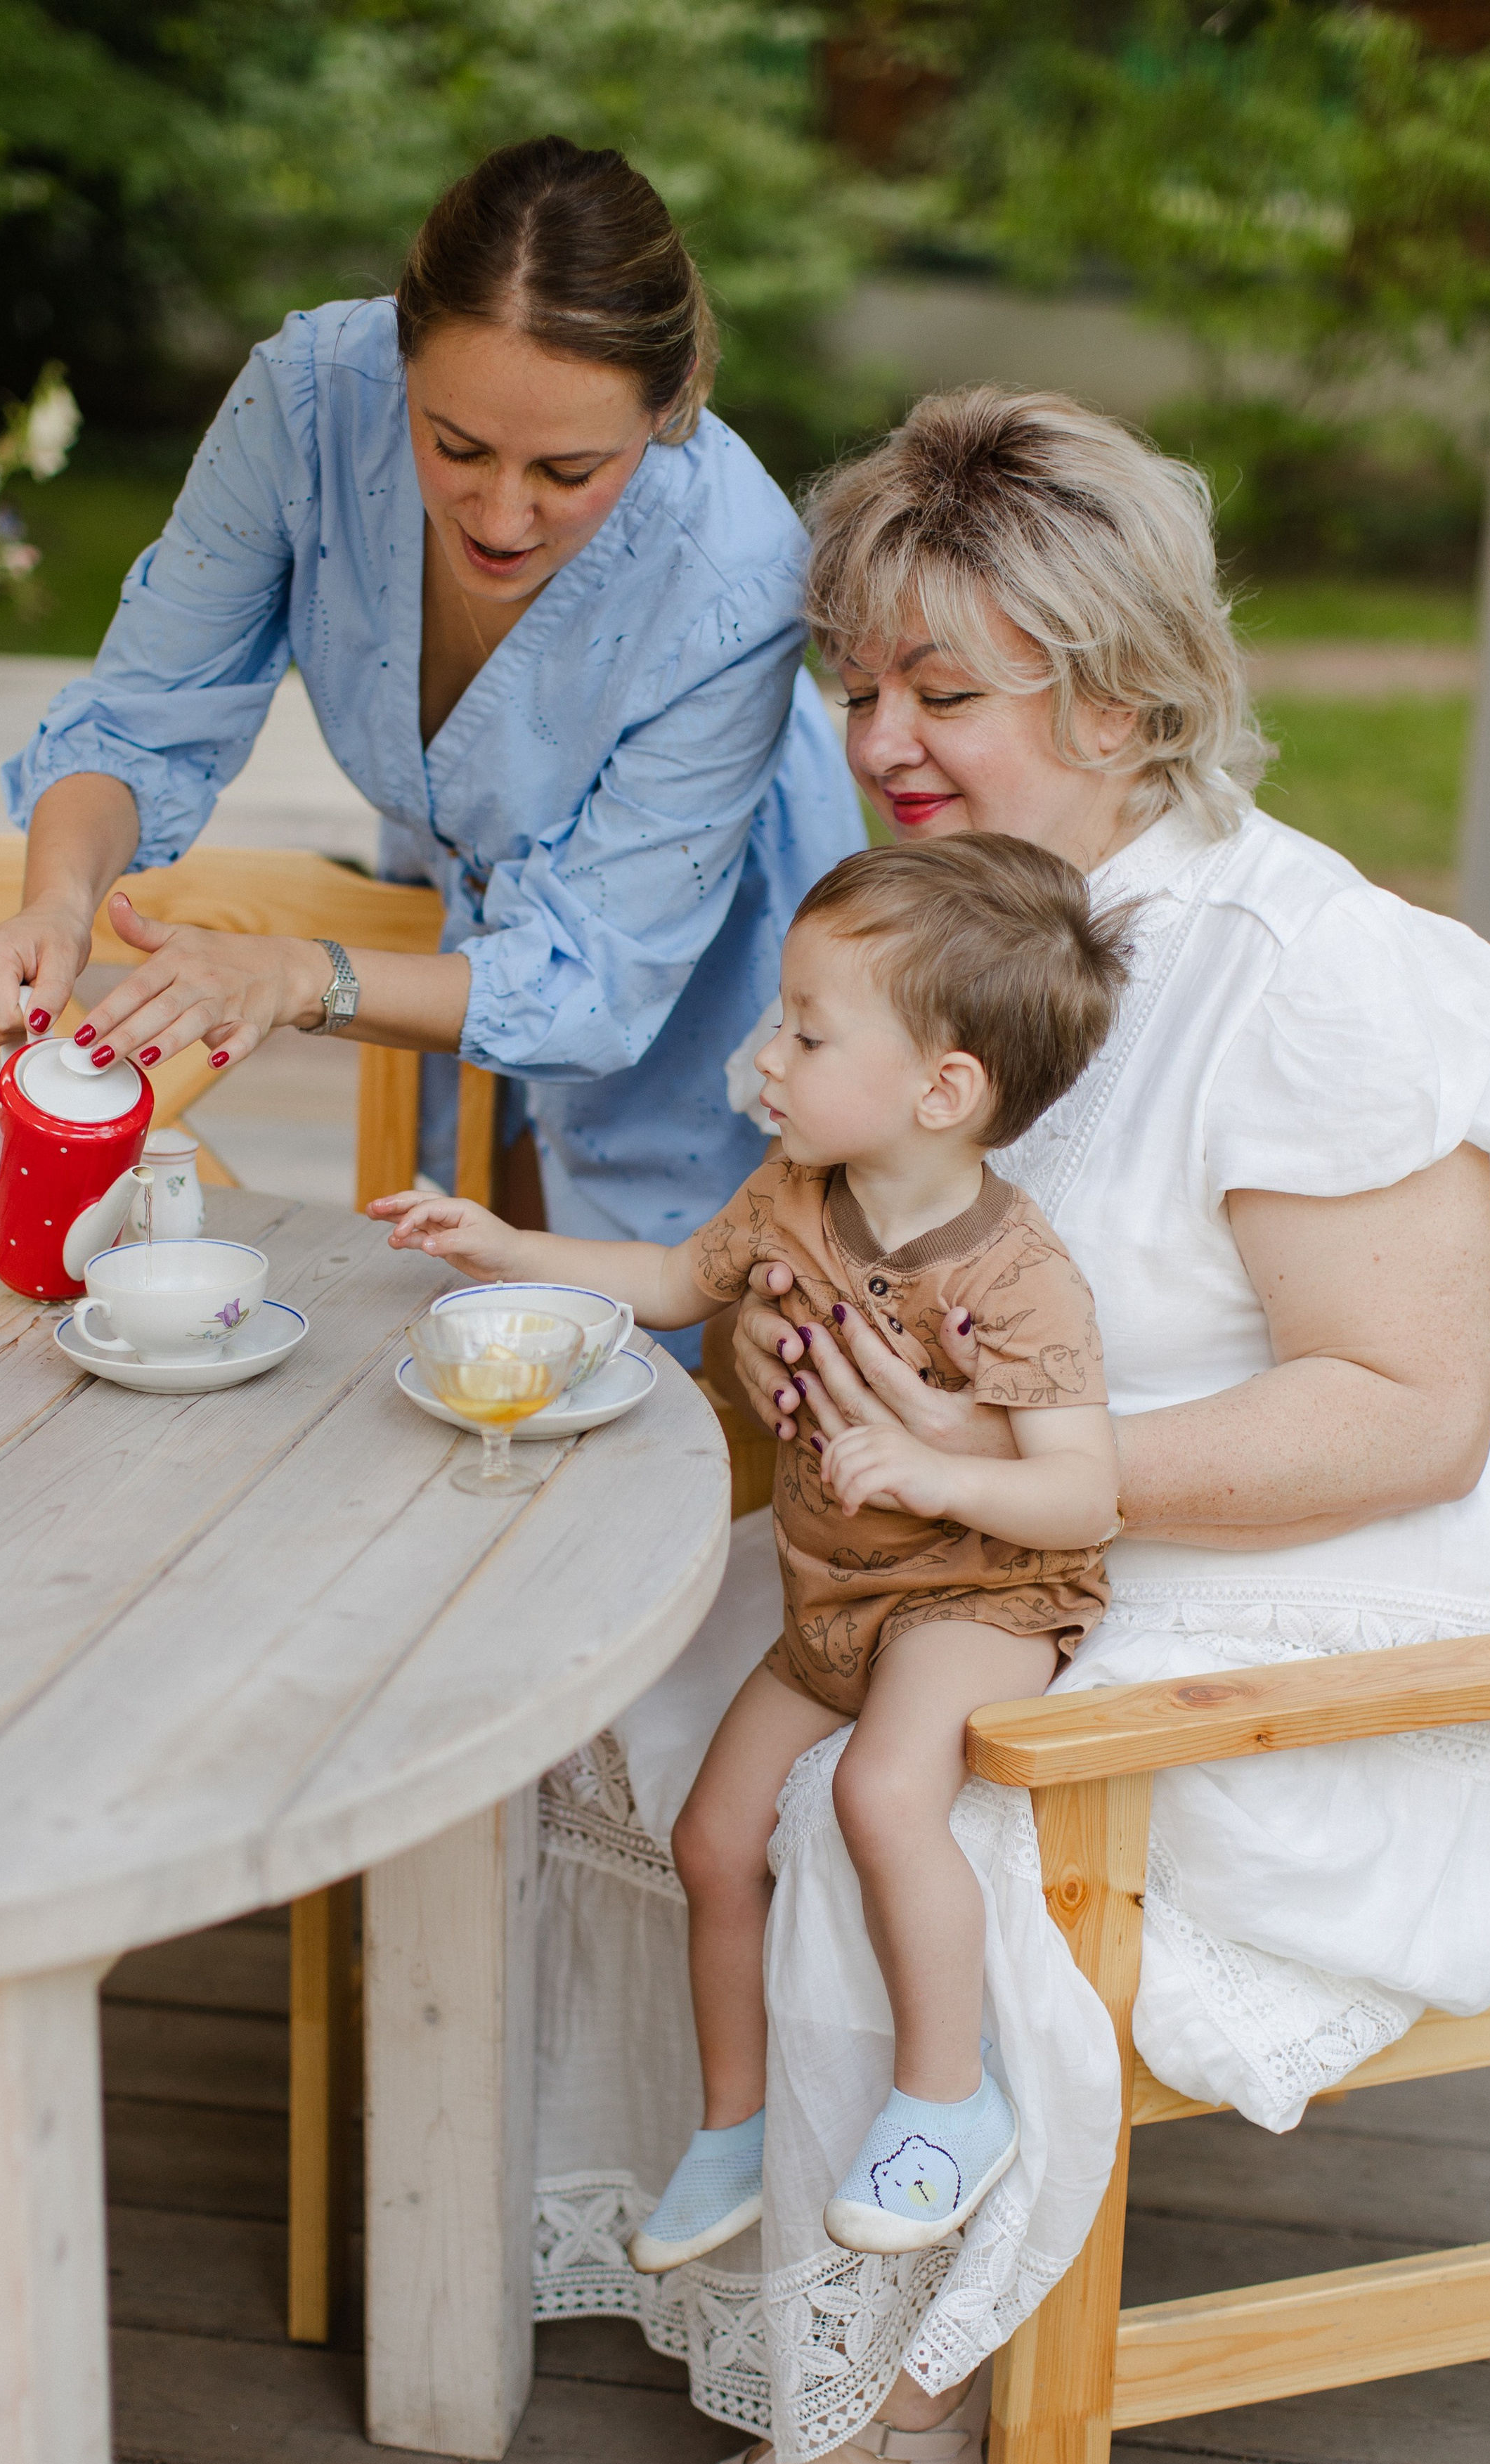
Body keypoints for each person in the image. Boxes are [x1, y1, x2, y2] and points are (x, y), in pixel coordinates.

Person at [519, 384, 1490, 2464]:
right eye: (857, 682)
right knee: (587, 1676)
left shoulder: (1306, 975)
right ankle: (741, 2204)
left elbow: (1409, 1420)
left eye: (945, 691)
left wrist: (981, 1468)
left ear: (1125, 693)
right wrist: (808, 1361)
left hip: (1323, 1588)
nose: (882, 737)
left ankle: (902, 2414)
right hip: (996, 1535)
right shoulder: (944, 931)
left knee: (891, 1802)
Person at [380, 836, 1124, 2367]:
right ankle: (732, 2127)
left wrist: (935, 1470)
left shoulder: (1016, 1276)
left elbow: (1082, 1496)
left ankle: (949, 2099)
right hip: (834, 1597)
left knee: (880, 1792)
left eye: (806, 1031)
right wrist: (504, 1245)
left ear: (943, 1091)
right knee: (713, 1836)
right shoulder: (797, 1193)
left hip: (979, 1598)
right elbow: (671, 1282)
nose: (766, 1055)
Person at [0, 135, 861, 1355]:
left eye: (569, 470)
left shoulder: (734, 575)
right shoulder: (309, 402)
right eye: (457, 445)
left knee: (664, 1345)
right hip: (461, 930)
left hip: (688, 948)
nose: (502, 515)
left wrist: (300, 976)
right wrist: (57, 903)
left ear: (672, 395)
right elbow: (140, 717)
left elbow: (593, 983)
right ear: (398, 359)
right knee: (479, 1324)